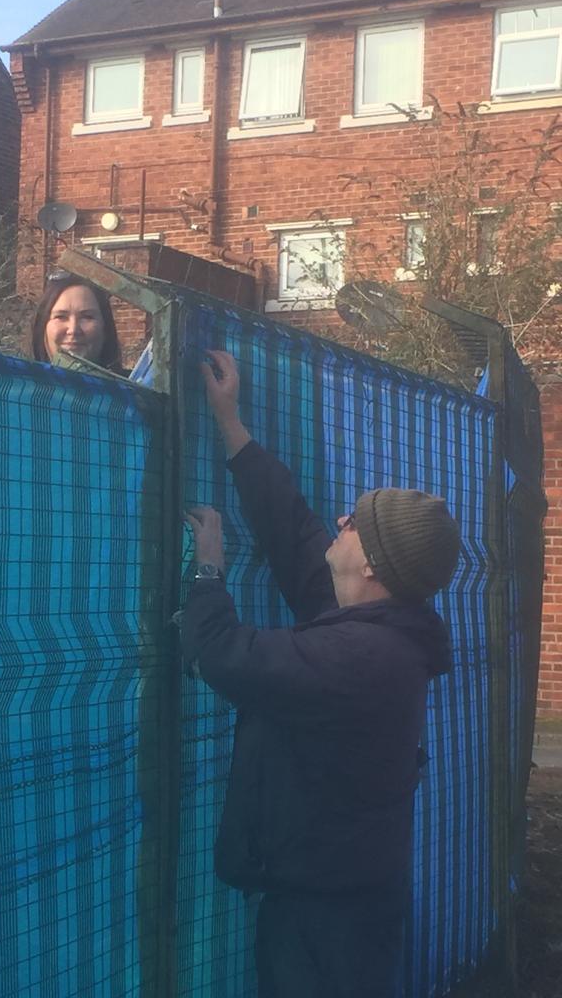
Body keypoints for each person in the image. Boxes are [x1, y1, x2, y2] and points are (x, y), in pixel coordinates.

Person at [182, 351, 461, 998]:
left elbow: (223, 654)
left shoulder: (365, 658)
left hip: (329, 923)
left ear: (374, 568)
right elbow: (292, 530)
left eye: (357, 525)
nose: (341, 521)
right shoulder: (379, 620)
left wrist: (208, 565)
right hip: (338, 897)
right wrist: (229, 420)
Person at [32, 271, 126, 374]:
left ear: (105, 328)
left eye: (87, 317)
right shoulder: (16, 385)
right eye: (61, 317)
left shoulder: (134, 388)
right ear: (42, 327)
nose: (73, 330)